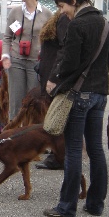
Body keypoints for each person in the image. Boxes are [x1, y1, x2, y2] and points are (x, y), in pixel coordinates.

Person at [43, 0, 109, 217]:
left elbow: (69, 63)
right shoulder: (105, 24)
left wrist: (57, 79)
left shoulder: (77, 25)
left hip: (78, 95)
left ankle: (66, 207)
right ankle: (95, 205)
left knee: (73, 151)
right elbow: (106, 62)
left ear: (73, 1)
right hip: (100, 94)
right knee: (96, 149)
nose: (63, 12)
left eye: (63, 6)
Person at [1, 0, 52, 121]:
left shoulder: (47, 14)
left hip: (35, 63)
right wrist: (5, 55)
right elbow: (7, 37)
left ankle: (30, 135)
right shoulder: (15, 12)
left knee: (34, 101)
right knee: (16, 101)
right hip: (16, 60)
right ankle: (14, 134)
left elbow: (51, 41)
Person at [34, 9, 70, 170]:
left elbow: (64, 48)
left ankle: (58, 157)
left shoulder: (63, 19)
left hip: (54, 77)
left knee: (57, 119)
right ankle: (57, 155)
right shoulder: (59, 17)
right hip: (49, 72)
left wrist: (54, 77)